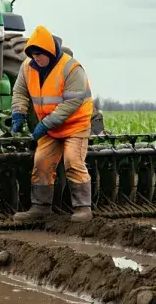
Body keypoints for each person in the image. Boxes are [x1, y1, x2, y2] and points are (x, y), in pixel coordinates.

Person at [10, 25, 94, 222]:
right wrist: (18, 113)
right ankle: (40, 208)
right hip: (50, 127)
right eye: (33, 55)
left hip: (75, 125)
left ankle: (83, 208)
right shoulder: (28, 67)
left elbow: (72, 103)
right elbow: (20, 92)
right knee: (41, 163)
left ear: (50, 51)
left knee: (73, 161)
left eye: (40, 54)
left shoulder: (72, 69)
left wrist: (44, 125)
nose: (36, 58)